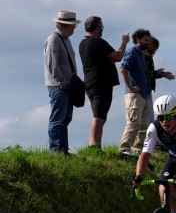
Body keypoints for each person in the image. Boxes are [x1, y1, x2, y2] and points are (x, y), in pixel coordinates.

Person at [79, 16, 129, 148]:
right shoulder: (98, 42)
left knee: (98, 115)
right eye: (101, 27)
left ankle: (94, 145)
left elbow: (106, 59)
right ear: (97, 28)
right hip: (101, 84)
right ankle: (94, 145)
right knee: (99, 117)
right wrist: (124, 42)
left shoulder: (83, 43)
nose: (102, 30)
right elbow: (117, 56)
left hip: (90, 83)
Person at [44, 10, 80, 154]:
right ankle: (56, 150)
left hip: (65, 85)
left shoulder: (63, 38)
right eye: (73, 25)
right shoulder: (54, 39)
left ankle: (62, 149)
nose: (74, 28)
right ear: (66, 25)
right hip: (59, 86)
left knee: (65, 118)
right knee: (58, 119)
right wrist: (62, 82)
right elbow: (52, 64)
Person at [118, 29, 154, 156]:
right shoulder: (132, 51)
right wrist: (130, 87)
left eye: (148, 40)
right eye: (145, 39)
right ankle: (124, 149)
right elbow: (123, 69)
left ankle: (138, 150)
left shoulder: (142, 54)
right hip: (134, 94)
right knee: (133, 123)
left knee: (144, 125)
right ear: (138, 40)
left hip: (143, 93)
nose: (148, 42)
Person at [143, 37, 175, 122]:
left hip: (147, 91)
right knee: (143, 121)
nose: (154, 51)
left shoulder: (149, 57)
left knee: (149, 120)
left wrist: (161, 74)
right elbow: (142, 74)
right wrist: (157, 73)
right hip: (141, 91)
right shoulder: (142, 57)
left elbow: (149, 74)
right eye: (153, 48)